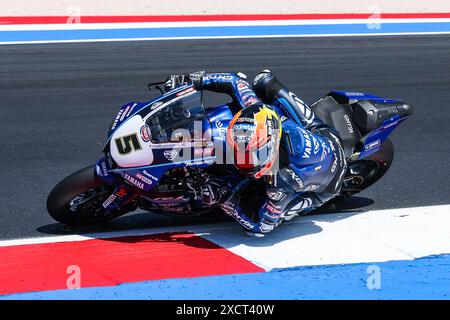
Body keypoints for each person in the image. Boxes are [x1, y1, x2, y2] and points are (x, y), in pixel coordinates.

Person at [164, 70, 347, 237]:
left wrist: (224, 199)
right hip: (310, 133)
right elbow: (234, 81)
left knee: (254, 203)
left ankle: (310, 201)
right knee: (263, 80)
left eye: (250, 156)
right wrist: (195, 81)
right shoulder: (258, 113)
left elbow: (260, 228)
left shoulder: (280, 184)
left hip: (328, 181)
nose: (241, 161)